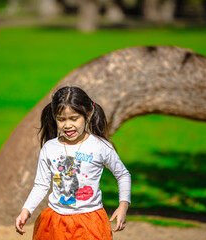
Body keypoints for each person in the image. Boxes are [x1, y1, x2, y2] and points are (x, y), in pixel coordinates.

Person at [15, 86, 131, 239]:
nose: (67, 125)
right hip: (55, 222)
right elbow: (41, 185)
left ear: (87, 115)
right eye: (61, 119)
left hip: (90, 222)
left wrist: (123, 206)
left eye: (74, 118)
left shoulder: (100, 146)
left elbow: (123, 174)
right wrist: (26, 210)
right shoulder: (50, 148)